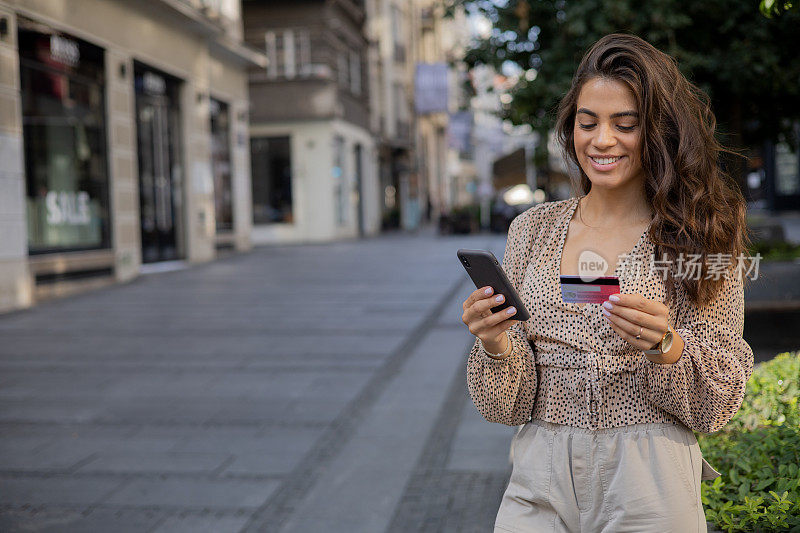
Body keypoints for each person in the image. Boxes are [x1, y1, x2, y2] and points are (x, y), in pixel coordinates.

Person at [461, 33, 754, 532]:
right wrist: (494, 344)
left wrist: (666, 346)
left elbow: (718, 402)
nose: (601, 140)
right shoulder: (532, 229)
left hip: (649, 478)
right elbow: (505, 406)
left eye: (626, 125)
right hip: (539, 474)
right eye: (587, 122)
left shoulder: (702, 235)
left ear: (658, 132)